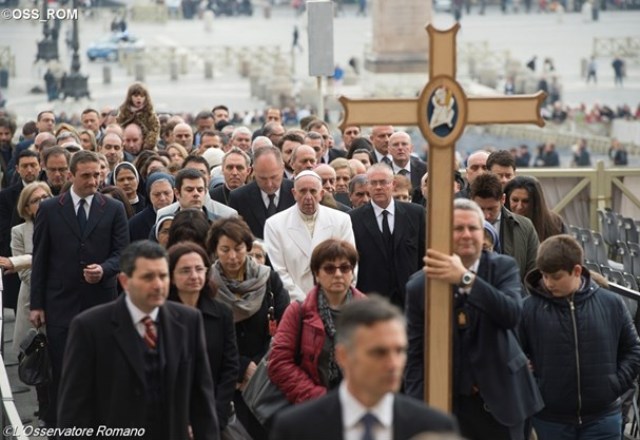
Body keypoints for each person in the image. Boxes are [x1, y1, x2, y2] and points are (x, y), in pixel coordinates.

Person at [405, 198, 543, 440]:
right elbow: (416, 355)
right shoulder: (419, 285)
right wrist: (419, 413)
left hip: (504, 401)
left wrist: (466, 279)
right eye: (458, 229)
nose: (467, 235)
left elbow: (511, 314)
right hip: (452, 405)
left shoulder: (503, 268)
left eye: (473, 228)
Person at [57, 240, 219, 438]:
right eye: (148, 277)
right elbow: (74, 407)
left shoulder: (188, 321)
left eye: (163, 276)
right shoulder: (90, 327)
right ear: (125, 281)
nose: (158, 285)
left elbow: (202, 401)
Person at [30, 150, 130, 427]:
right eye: (86, 175)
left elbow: (122, 253)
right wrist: (36, 304)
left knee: (101, 370)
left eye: (97, 174)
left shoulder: (113, 208)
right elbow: (40, 258)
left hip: (101, 302)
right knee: (64, 371)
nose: (93, 181)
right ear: (71, 175)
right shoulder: (50, 209)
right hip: (61, 304)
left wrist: (105, 270)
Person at [271, 295, 457, 440]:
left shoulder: (434, 427)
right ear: (343, 356)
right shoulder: (297, 429)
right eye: (379, 352)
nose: (393, 364)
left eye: (399, 351)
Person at [521, 234, 640, 440]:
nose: (548, 283)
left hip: (603, 419)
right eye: (544, 275)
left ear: (576, 270)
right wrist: (537, 389)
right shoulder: (528, 309)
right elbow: (513, 355)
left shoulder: (611, 303)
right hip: (550, 420)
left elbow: (633, 350)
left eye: (556, 277)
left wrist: (614, 385)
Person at [206, 216, 290, 440]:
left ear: (248, 247)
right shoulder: (208, 285)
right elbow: (207, 335)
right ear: (215, 250)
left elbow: (285, 329)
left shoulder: (268, 279)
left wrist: (257, 365)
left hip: (267, 374)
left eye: (238, 248)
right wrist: (242, 367)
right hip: (225, 378)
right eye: (224, 249)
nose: (232, 257)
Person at [269, 238, 367, 404]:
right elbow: (279, 362)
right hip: (313, 408)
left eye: (344, 268)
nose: (337, 274)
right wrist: (318, 398)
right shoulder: (298, 311)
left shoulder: (369, 311)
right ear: (316, 274)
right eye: (329, 268)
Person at [167, 242, 239, 432]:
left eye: (199, 269)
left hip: (213, 411)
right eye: (185, 270)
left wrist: (215, 414)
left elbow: (230, 366)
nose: (194, 276)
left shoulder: (221, 313)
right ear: (171, 277)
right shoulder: (161, 315)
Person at [265, 170, 355, 301]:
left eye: (313, 191)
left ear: (321, 194)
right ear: (294, 194)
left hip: (335, 300)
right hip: (293, 303)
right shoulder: (274, 224)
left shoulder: (341, 220)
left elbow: (351, 263)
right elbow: (279, 271)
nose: (308, 197)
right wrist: (305, 302)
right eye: (302, 191)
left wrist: (337, 295)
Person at [349, 164, 425, 308]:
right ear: (368, 186)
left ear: (393, 184)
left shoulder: (416, 214)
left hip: (410, 299)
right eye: (373, 183)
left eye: (383, 182)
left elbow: (423, 255)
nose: (378, 187)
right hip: (370, 301)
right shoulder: (352, 219)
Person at [470, 173, 539, 281]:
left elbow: (534, 273)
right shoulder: (459, 227)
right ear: (472, 200)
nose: (486, 215)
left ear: (503, 199)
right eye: (480, 208)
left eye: (491, 209)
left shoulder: (525, 226)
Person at [228, 146, 295, 239]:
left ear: (282, 168)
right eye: (262, 178)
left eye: (274, 177)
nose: (269, 184)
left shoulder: (296, 192)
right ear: (253, 171)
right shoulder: (239, 197)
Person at [504, 176, 565, 242]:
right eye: (515, 200)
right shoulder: (498, 222)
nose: (519, 206)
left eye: (525, 201)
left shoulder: (555, 223)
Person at [116, 82, 160, 150]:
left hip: (146, 147)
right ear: (130, 97)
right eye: (136, 96)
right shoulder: (124, 112)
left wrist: (148, 144)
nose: (139, 98)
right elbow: (118, 127)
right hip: (126, 145)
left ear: (145, 98)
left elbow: (155, 129)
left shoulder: (149, 113)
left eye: (142, 96)